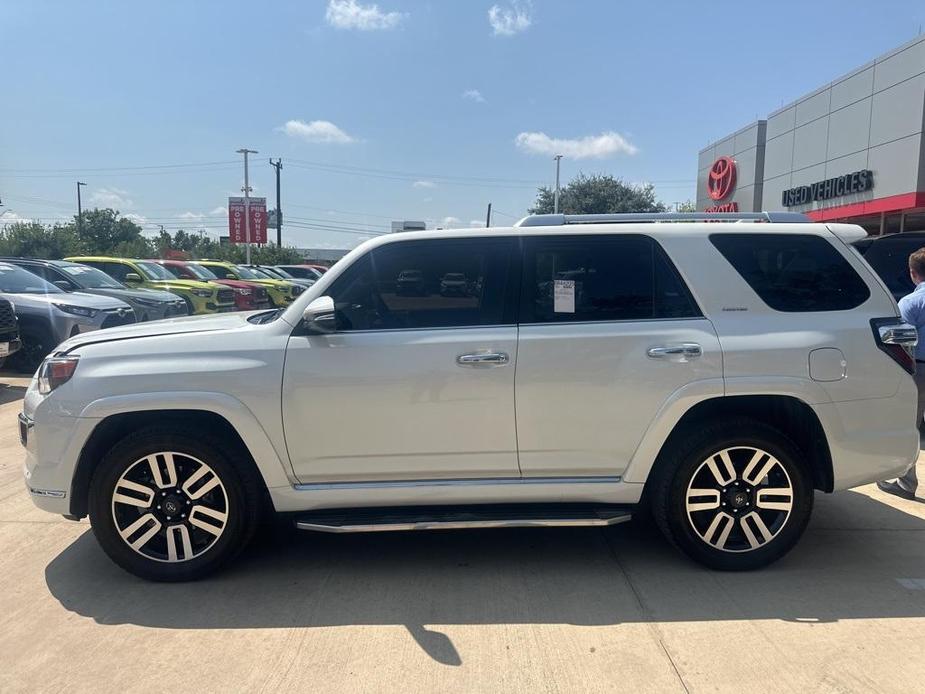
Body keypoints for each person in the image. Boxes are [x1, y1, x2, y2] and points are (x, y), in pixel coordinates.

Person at [878, 247, 925, 500]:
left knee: (911, 427)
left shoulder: (910, 302)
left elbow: (899, 340)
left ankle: (907, 484)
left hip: (919, 369)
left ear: (912, 273)